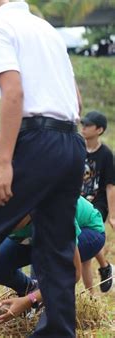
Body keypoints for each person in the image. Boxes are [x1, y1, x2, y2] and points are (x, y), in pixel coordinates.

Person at [0, 1, 86, 337]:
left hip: (35, 142)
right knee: (56, 248)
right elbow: (76, 100)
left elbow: (13, 93)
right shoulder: (44, 28)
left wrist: (5, 162)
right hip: (70, 142)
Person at [80, 110, 115, 292]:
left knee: (85, 252)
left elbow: (110, 186)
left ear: (99, 129)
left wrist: (112, 215)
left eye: (88, 125)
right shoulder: (77, 147)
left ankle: (90, 298)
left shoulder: (106, 155)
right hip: (77, 203)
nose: (83, 128)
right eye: (83, 124)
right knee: (86, 249)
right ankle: (105, 266)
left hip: (97, 205)